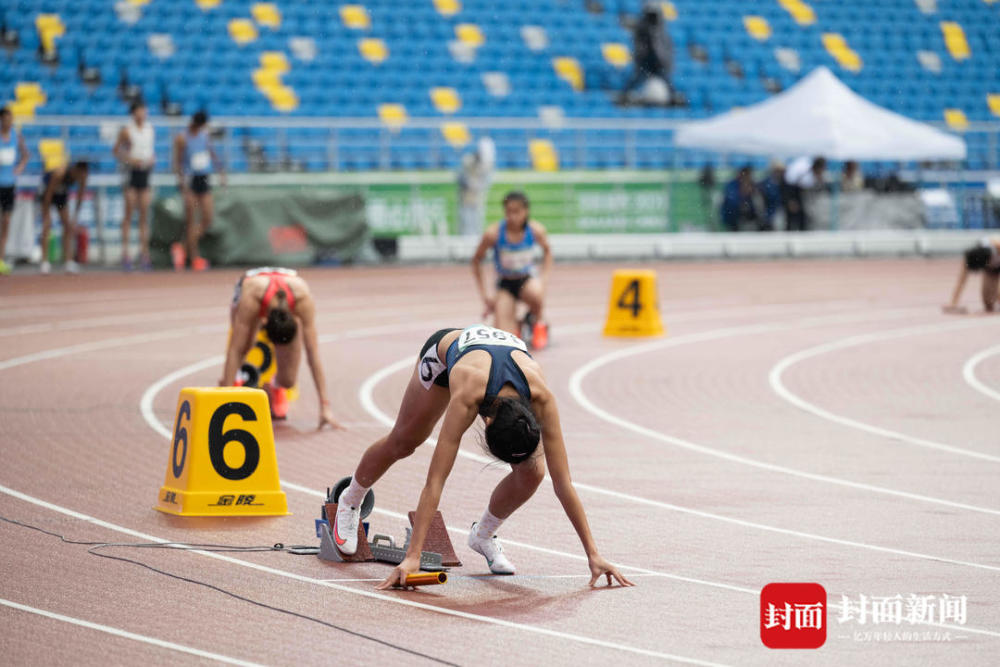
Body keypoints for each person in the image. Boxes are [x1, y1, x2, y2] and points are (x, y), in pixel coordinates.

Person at [332, 324, 634, 590]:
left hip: (495, 363)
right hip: (445, 358)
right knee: (405, 442)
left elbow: (563, 483)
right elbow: (435, 480)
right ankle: (350, 499)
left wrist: (593, 554)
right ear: (485, 422)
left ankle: (483, 535)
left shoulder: (541, 398)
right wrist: (413, 557)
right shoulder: (467, 397)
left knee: (533, 472)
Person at [221, 267, 341, 427]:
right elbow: (234, 350)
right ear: (264, 322)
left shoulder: (303, 301)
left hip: (288, 288)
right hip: (251, 286)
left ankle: (274, 385)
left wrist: (325, 407)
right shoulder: (251, 299)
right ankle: (230, 383)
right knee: (244, 345)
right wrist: (225, 401)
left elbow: (313, 354)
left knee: (288, 381)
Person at [471, 191, 552, 349]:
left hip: (526, 280)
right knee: (503, 336)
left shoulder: (535, 231)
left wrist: (543, 280)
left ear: (526, 211)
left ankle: (536, 320)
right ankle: (519, 325)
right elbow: (476, 260)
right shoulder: (493, 234)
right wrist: (485, 295)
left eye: (517, 212)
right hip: (505, 284)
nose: (512, 216)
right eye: (508, 212)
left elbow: (548, 252)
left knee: (537, 293)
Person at [173, 110, 223, 271]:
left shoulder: (204, 135)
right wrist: (182, 183)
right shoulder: (182, 138)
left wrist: (221, 171)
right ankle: (194, 257)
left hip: (204, 177)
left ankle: (182, 246)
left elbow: (212, 153)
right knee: (191, 220)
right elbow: (178, 162)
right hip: (191, 179)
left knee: (207, 218)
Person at [113, 100, 155, 271]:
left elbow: (150, 150)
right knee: (129, 214)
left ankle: (144, 253)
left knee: (144, 214)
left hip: (145, 173)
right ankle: (125, 253)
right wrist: (130, 160)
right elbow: (116, 151)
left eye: (144, 110)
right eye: (139, 110)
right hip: (131, 173)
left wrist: (151, 159)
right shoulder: (127, 130)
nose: (142, 113)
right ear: (133, 113)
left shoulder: (149, 129)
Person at [39, 159, 89, 274]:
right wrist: (46, 213)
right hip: (47, 194)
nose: (81, 178)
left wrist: (75, 216)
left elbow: (80, 196)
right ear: (76, 170)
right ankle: (44, 262)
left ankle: (68, 262)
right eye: (81, 175)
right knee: (47, 225)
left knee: (67, 226)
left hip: (61, 196)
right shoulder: (60, 173)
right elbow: (48, 194)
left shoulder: (82, 177)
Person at [619, 2, 674, 103]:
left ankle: (673, 95)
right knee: (639, 76)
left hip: (656, 59)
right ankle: (624, 95)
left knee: (662, 77)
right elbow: (639, 43)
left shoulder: (659, 27)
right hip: (645, 58)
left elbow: (661, 44)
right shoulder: (642, 27)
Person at [0, 106, 29, 275]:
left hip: (9, 185)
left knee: (6, 222)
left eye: (10, 118)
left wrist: (20, 167)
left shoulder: (16, 136)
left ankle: (1, 259)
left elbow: (25, 155)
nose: (8, 121)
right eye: (5, 119)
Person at [943, 239, 1000, 314]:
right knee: (988, 302)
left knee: (996, 291)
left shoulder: (997, 245)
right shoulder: (970, 258)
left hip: (995, 264)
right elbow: (961, 281)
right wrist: (953, 302)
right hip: (990, 268)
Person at [456, 137, 495, 237]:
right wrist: (469, 183)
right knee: (465, 222)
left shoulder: (488, 164)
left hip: (478, 198)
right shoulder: (468, 160)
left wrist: (479, 185)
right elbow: (460, 176)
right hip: (465, 197)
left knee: (477, 223)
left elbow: (488, 179)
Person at [784, 156, 826, 231]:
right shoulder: (803, 169)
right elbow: (790, 183)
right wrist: (791, 200)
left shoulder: (808, 170)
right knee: (792, 217)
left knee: (802, 217)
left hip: (798, 190)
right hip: (791, 189)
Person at [719, 166, 760, 232]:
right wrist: (743, 194)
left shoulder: (753, 185)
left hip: (748, 219)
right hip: (732, 218)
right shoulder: (732, 185)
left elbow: (757, 204)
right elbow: (731, 202)